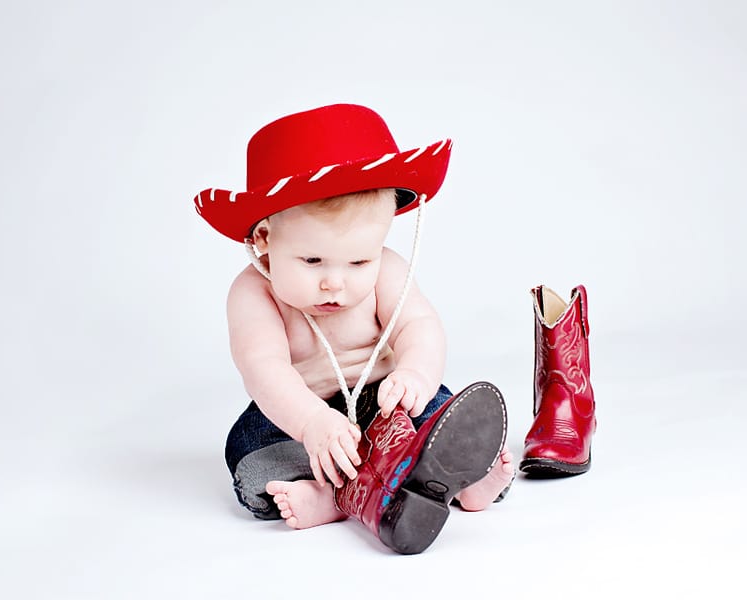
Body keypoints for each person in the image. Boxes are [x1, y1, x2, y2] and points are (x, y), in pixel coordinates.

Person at [193, 104, 514, 551]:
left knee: (436, 416)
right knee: (253, 466)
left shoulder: (388, 270)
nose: (335, 282)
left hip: (385, 400)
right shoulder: (254, 292)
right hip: (300, 411)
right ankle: (343, 493)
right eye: (311, 261)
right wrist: (311, 423)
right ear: (264, 239)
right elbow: (263, 368)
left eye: (359, 260)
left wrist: (415, 374)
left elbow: (419, 326)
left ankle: (461, 482)